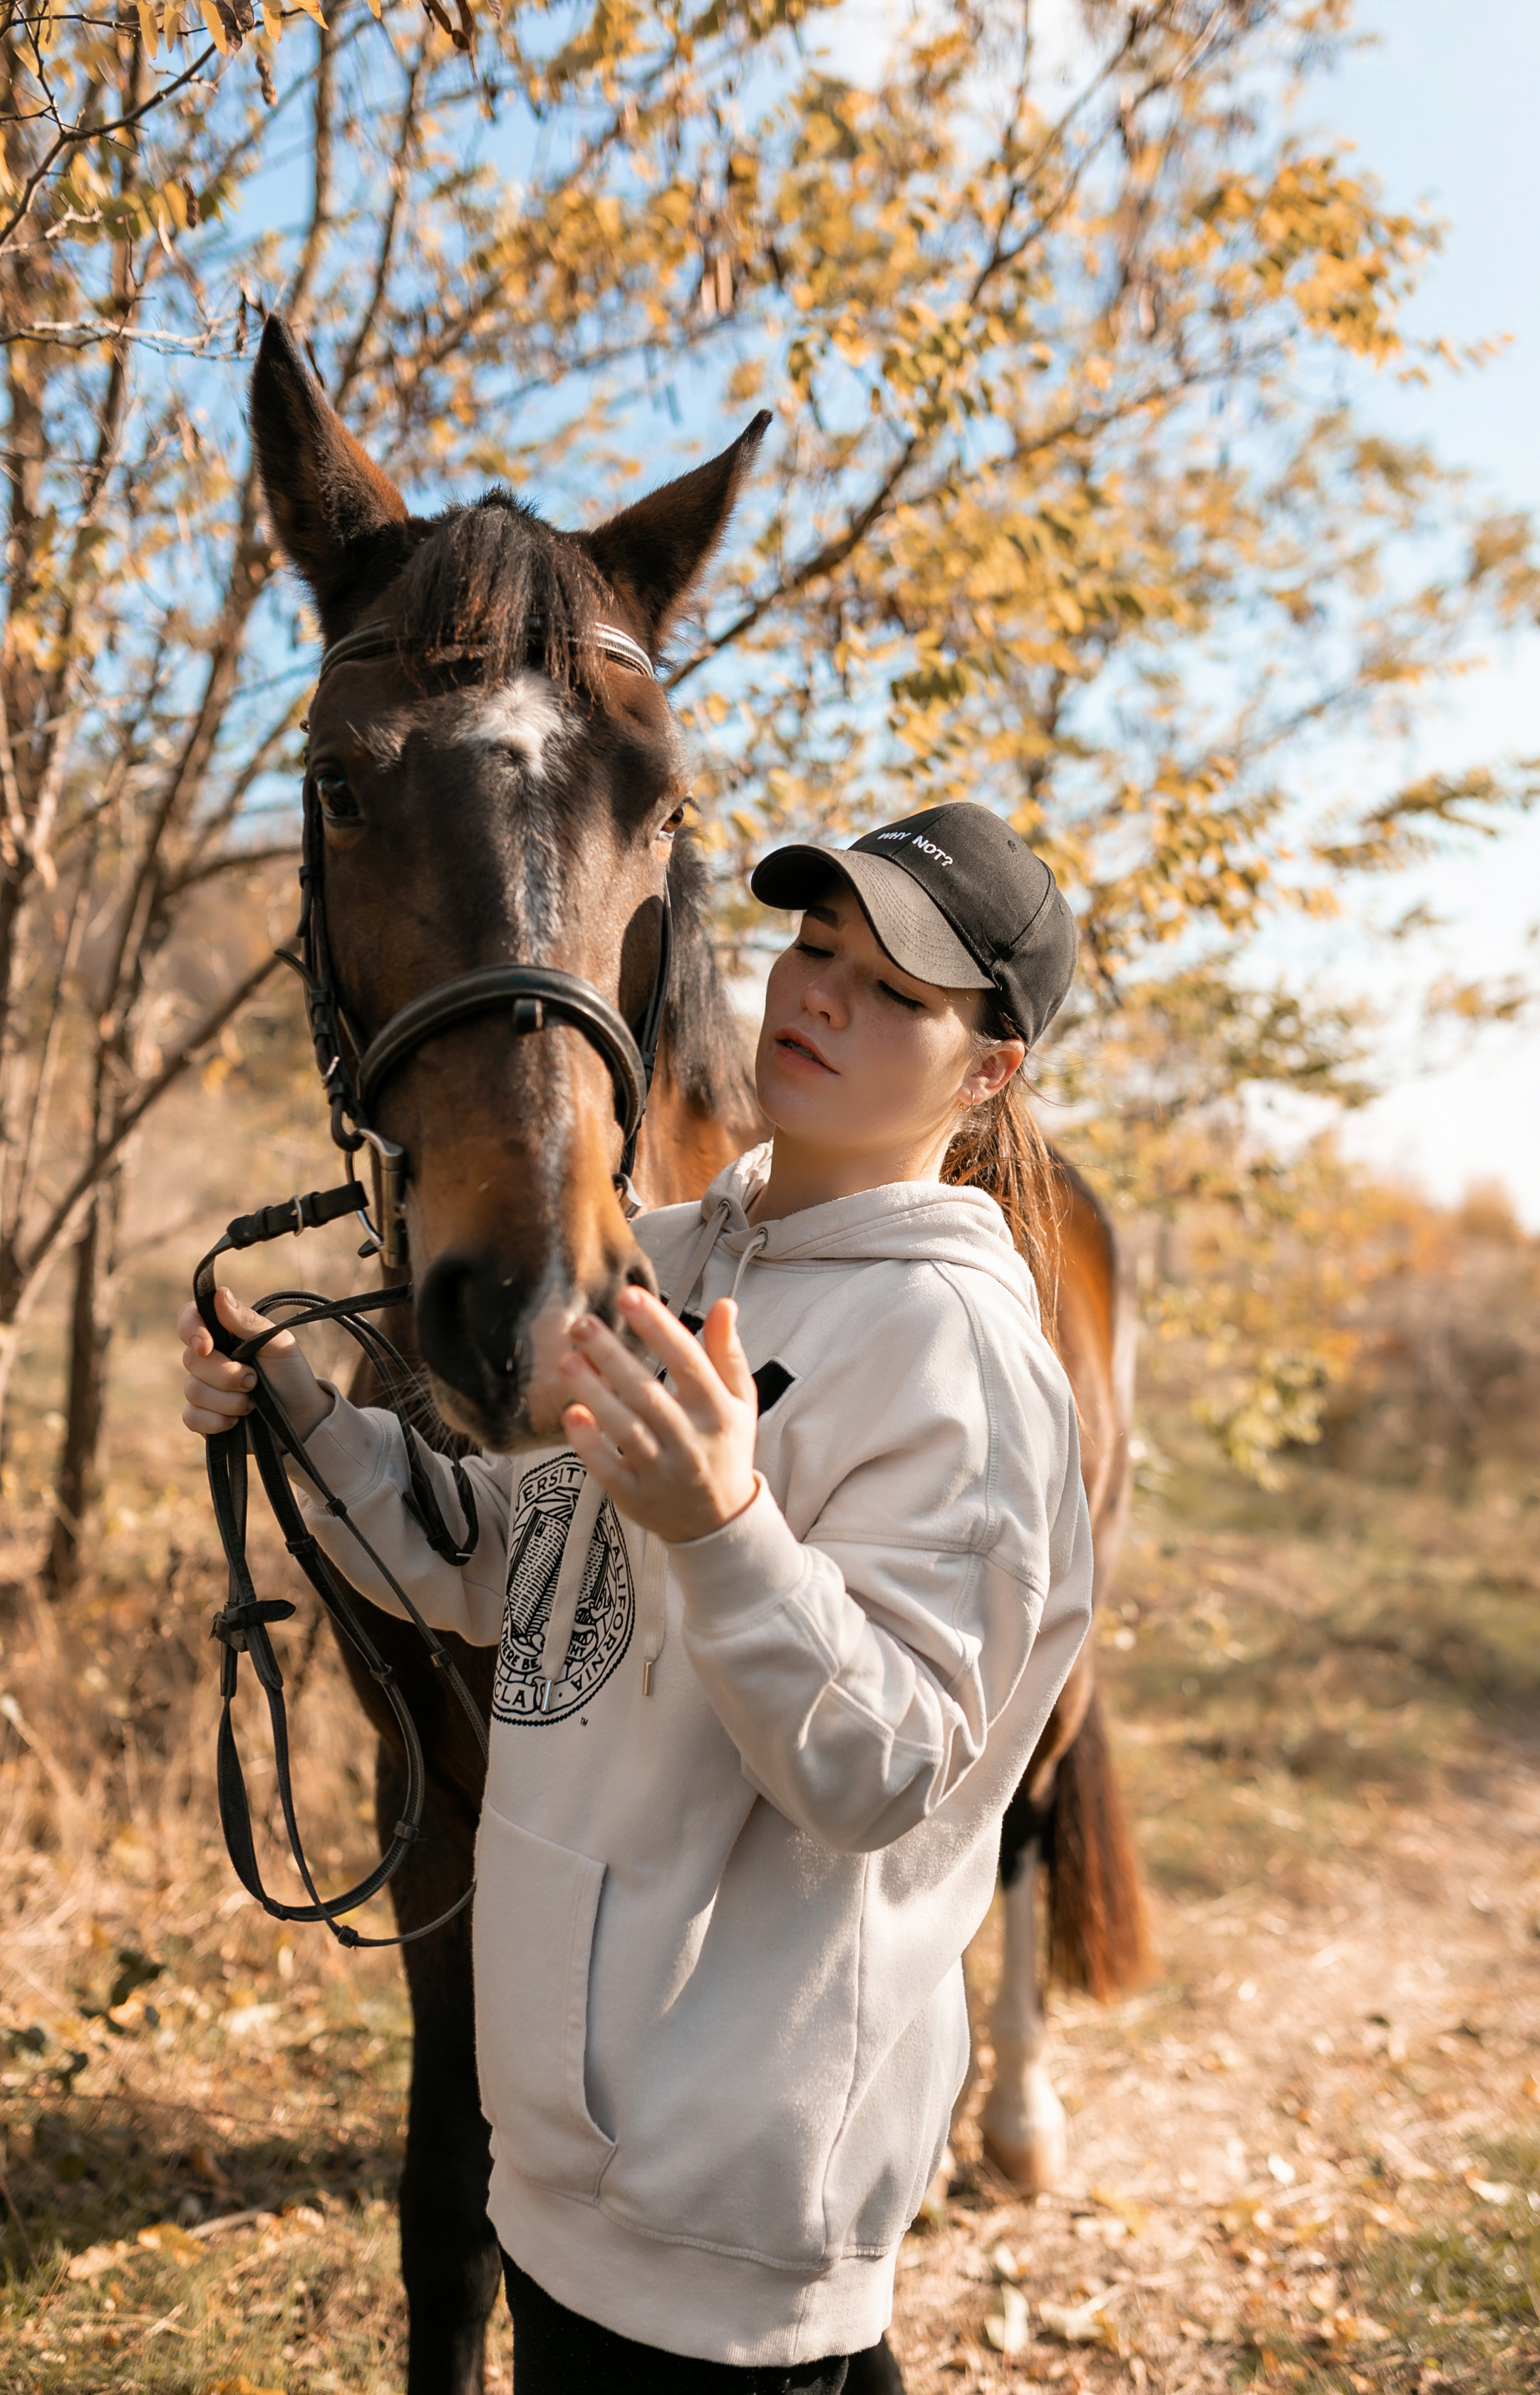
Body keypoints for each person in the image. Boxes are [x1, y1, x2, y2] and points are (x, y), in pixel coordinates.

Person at [179, 801, 1094, 2395]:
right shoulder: (661, 1258)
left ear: (990, 1070)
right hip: (563, 2174)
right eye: (816, 948)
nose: (820, 998)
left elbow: (879, 1769)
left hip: (728, 2216)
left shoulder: (963, 1364)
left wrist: (720, 1523)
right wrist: (301, 1419)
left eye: (896, 992)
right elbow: (498, 1565)